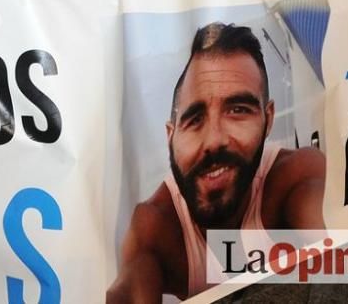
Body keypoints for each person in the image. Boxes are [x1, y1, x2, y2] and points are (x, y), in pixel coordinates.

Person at [108, 22, 325, 301]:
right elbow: (127, 290)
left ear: (268, 118)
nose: (213, 140)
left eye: (237, 110)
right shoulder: (156, 224)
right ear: (171, 136)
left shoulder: (295, 175)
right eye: (195, 119)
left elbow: (334, 238)